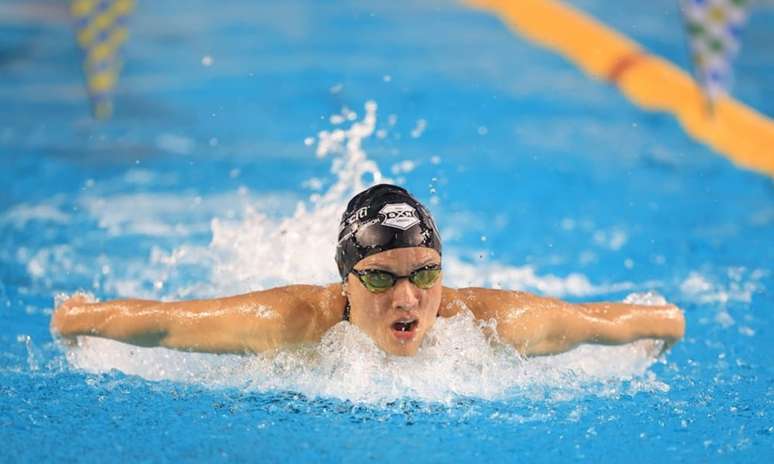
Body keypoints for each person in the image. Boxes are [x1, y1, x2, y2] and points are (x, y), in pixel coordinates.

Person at [51, 184, 685, 357]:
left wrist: (665, 325)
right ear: (347, 282)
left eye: (426, 274)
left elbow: (607, 321)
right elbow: (169, 325)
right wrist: (79, 318)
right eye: (381, 277)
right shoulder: (295, 321)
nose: (408, 297)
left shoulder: (496, 325)